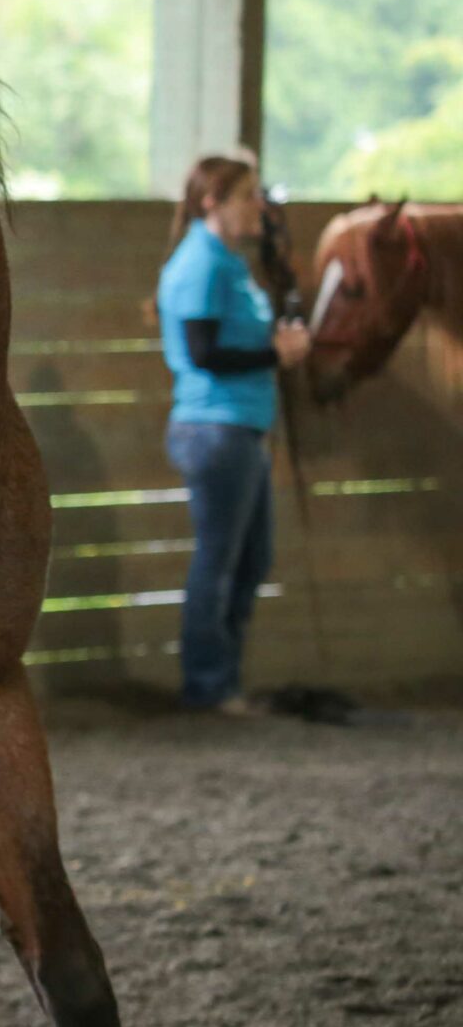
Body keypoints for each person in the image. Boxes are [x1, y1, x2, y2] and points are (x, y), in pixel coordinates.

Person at [154, 154, 312, 714]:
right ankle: (208, 684)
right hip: (215, 428)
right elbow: (203, 352)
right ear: (212, 203)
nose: (259, 207)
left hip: (241, 427)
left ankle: (223, 679)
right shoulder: (202, 264)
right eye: (247, 196)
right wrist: (277, 352)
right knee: (220, 560)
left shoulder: (229, 262)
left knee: (250, 559)